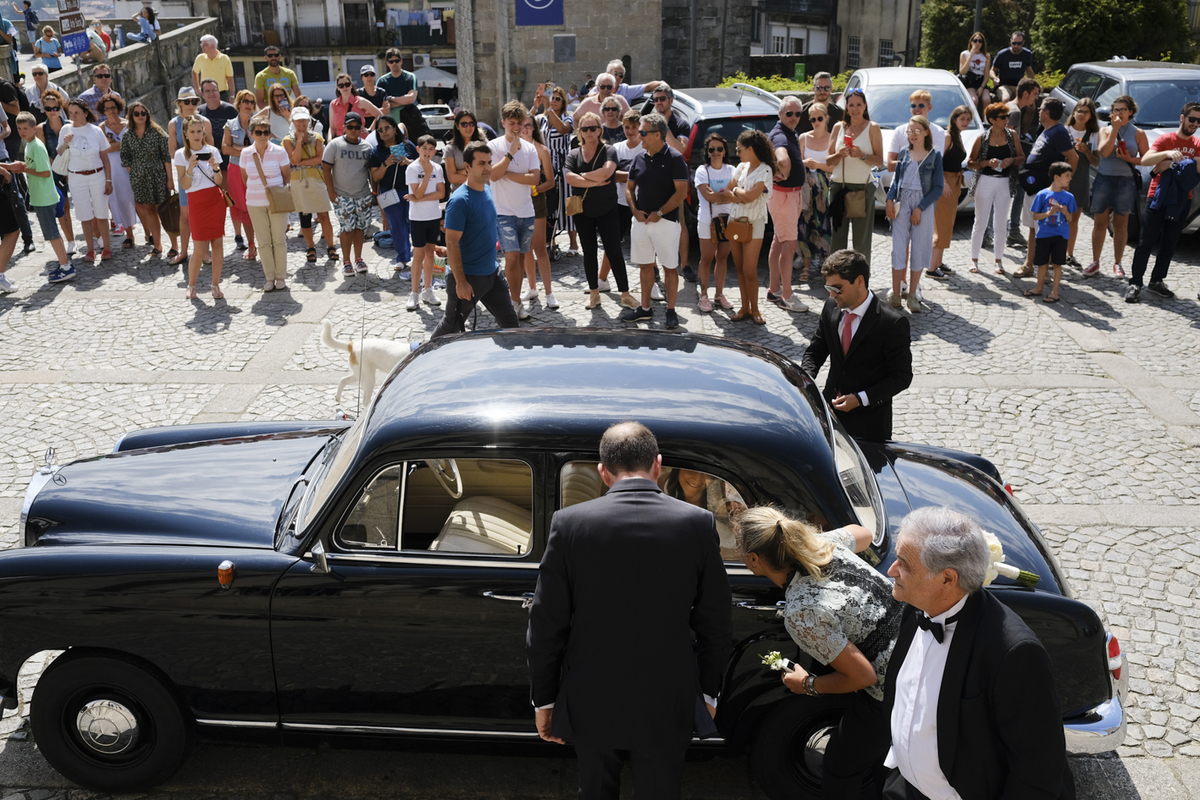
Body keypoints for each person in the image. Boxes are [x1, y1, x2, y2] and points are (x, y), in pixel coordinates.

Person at [526, 421, 732, 800]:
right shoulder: (697, 523)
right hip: (668, 697)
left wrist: (546, 699)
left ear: (603, 473)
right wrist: (708, 693)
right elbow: (715, 621)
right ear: (657, 465)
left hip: (591, 698)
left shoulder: (569, 524)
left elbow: (545, 625)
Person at [883, 506, 1075, 800]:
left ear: (948, 579)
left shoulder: (1014, 653)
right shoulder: (916, 606)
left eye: (904, 564)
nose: (891, 571)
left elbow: (1038, 771)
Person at [738, 506, 899, 799]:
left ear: (753, 560)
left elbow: (863, 676)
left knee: (840, 763)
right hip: (915, 647)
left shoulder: (801, 611)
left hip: (892, 688)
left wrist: (807, 685)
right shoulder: (822, 546)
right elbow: (864, 534)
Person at [801, 249, 913, 441]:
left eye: (837, 289)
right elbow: (816, 351)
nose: (831, 295)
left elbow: (901, 377)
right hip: (829, 416)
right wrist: (805, 381)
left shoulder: (891, 323)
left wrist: (861, 399)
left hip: (869, 425)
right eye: (828, 289)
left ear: (859, 281)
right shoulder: (831, 307)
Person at [430, 140, 520, 337]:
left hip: (492, 274)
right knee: (450, 328)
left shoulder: (487, 190)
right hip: (469, 278)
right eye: (481, 163)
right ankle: (422, 359)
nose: (488, 167)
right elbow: (451, 241)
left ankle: (515, 363)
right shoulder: (460, 200)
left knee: (511, 324)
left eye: (489, 162)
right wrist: (461, 282)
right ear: (468, 166)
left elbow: (476, 232)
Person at [1124, 101, 1200, 304]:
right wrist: (1167, 154)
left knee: (1169, 244)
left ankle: (1157, 281)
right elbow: (1147, 160)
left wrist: (1172, 163)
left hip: (1182, 200)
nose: (1195, 124)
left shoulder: (1197, 144)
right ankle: (1135, 283)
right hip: (1157, 196)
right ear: (1182, 118)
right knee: (1146, 242)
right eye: (1192, 119)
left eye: (1199, 121)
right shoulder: (1166, 139)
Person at [621, 112, 689, 329]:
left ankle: (671, 310)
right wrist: (634, 210)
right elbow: (629, 188)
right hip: (641, 222)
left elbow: (681, 193)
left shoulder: (676, 159)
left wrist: (659, 213)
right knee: (645, 266)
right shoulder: (638, 158)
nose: (639, 136)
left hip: (666, 222)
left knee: (669, 267)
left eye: (643, 132)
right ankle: (645, 309)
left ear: (657, 134)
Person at [567, 111, 629, 313]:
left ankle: (625, 294)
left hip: (607, 208)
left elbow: (608, 172)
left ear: (599, 130)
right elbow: (569, 178)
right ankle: (594, 293)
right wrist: (595, 181)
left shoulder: (608, 150)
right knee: (589, 251)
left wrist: (583, 176)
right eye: (585, 128)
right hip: (583, 210)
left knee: (614, 251)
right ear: (580, 132)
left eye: (593, 128)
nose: (589, 132)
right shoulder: (574, 153)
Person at [489, 100, 541, 321]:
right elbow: (492, 175)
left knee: (520, 260)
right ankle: (510, 303)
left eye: (520, 123)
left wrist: (508, 174)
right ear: (503, 123)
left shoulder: (530, 148)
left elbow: (535, 178)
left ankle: (516, 302)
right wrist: (509, 154)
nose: (517, 128)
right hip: (503, 211)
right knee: (510, 259)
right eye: (512, 123)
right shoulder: (493, 146)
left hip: (526, 212)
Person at [1014, 98, 1077, 279]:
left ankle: (1043, 270)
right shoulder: (1045, 130)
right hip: (1034, 187)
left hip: (1045, 188)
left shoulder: (1059, 132)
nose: (1038, 111)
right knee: (1034, 228)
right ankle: (1029, 264)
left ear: (1047, 113)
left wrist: (1065, 181)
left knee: (1044, 229)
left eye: (1041, 109)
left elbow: (1073, 157)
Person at [886, 116, 943, 314]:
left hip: (923, 204)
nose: (913, 134)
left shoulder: (934, 156)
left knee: (919, 248)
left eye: (917, 130)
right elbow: (896, 180)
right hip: (903, 200)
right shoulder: (903, 152)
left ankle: (912, 295)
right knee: (898, 247)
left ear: (926, 132)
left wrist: (920, 208)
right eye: (910, 131)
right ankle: (895, 294)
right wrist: (889, 199)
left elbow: (938, 188)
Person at [1088, 94, 1148, 279]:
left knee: (1121, 225)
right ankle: (1095, 261)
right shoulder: (1105, 131)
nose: (1119, 113)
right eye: (1115, 109)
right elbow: (1104, 153)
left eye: (1123, 109)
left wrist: (1130, 159)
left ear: (1130, 112)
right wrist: (1114, 130)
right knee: (1100, 222)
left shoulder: (1138, 133)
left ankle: (1118, 263)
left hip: (1125, 181)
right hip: (1104, 179)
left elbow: (1146, 159)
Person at [12, 112, 70, 283]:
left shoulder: (36, 146)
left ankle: (66, 267)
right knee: (53, 233)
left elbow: (45, 172)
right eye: (19, 128)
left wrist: (23, 169)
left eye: (26, 128)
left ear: (33, 128)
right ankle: (64, 263)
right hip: (41, 197)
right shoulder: (29, 144)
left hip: (44, 197)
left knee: (52, 234)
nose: (22, 131)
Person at [827, 88, 883, 264]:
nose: (855, 109)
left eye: (859, 104)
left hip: (862, 188)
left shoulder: (872, 127)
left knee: (861, 241)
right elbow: (829, 161)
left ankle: (861, 282)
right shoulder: (838, 127)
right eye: (851, 105)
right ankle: (836, 281)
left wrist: (862, 155)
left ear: (865, 105)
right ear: (846, 106)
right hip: (838, 187)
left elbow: (880, 161)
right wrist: (840, 154)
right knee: (837, 239)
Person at [968, 102, 1023, 274]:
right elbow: (971, 163)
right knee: (981, 222)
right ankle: (974, 260)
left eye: (1007, 116)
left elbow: (1022, 157)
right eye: (1003, 117)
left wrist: (1011, 160)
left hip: (1005, 181)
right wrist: (986, 163)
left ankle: (998, 261)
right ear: (992, 120)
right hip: (985, 180)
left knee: (1000, 222)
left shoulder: (1012, 135)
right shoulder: (982, 138)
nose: (1007, 119)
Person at [174, 116, 226, 300]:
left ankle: (215, 285)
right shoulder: (180, 155)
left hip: (215, 200)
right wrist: (189, 168)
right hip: (196, 202)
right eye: (192, 132)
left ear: (204, 132)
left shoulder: (212, 151)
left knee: (218, 244)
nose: (196, 135)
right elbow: (185, 185)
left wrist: (216, 169)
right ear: (186, 134)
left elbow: (219, 182)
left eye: (199, 131)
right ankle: (192, 285)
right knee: (199, 248)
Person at [728, 129, 775, 324]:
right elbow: (726, 191)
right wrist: (741, 194)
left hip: (754, 223)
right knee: (739, 267)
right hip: (735, 222)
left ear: (750, 149)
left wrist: (737, 192)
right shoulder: (740, 167)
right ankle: (744, 307)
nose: (737, 153)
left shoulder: (765, 170)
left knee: (749, 269)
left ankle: (755, 309)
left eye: (739, 149)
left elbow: (745, 195)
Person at [767, 96, 809, 313]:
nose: (793, 118)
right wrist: (783, 170)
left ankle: (774, 289)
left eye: (797, 114)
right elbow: (782, 158)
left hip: (787, 196)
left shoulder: (789, 132)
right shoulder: (781, 135)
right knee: (789, 245)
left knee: (779, 240)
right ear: (780, 114)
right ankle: (787, 296)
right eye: (789, 113)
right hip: (784, 197)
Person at [58, 99, 112, 261]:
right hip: (76, 177)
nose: (73, 116)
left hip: (97, 175)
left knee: (101, 213)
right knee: (84, 214)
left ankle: (107, 248)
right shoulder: (65, 129)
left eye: (77, 113)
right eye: (71, 113)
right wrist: (66, 142)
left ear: (85, 113)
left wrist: (109, 180)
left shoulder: (95, 131)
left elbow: (105, 158)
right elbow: (60, 153)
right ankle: (90, 249)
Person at [321, 111, 375, 277]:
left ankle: (358, 258)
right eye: (350, 127)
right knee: (346, 229)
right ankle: (346, 261)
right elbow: (325, 168)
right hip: (342, 195)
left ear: (361, 128)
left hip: (363, 194)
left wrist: (374, 192)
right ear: (344, 127)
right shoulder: (335, 145)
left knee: (360, 228)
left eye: (356, 127)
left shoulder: (367, 147)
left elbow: (371, 171)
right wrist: (331, 192)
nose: (353, 130)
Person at [120, 99, 174, 259]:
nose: (140, 115)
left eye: (143, 112)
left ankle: (174, 245)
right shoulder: (128, 135)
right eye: (136, 113)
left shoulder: (157, 132)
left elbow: (166, 156)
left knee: (165, 211)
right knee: (149, 210)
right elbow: (125, 157)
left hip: (158, 177)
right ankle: (157, 245)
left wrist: (170, 179)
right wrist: (134, 172)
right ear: (131, 116)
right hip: (140, 180)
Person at [242, 116, 290, 291]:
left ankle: (281, 276)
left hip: (276, 201)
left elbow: (286, 176)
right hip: (254, 202)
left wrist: (274, 191)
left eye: (266, 132)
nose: (263, 136)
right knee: (263, 242)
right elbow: (244, 178)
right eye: (259, 132)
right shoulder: (245, 153)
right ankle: (269, 278)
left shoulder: (279, 151)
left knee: (278, 240)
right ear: (252, 134)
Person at [283, 106, 335, 265]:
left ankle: (331, 246)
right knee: (304, 217)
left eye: (304, 120)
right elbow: (293, 159)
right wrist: (298, 141)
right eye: (298, 120)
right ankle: (310, 247)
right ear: (293, 121)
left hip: (316, 180)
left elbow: (320, 159)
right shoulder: (287, 140)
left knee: (324, 215)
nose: (301, 123)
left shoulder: (317, 137)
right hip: (298, 182)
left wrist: (301, 163)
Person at [598, 109, 644, 293]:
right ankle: (601, 280)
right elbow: (611, 175)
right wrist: (634, 176)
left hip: (642, 201)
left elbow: (648, 176)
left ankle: (653, 282)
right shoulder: (616, 148)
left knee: (645, 243)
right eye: (627, 127)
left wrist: (625, 177)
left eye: (634, 127)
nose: (630, 131)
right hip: (618, 201)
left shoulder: (646, 147)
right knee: (612, 242)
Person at [168, 87, 214, 266]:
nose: (190, 105)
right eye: (186, 101)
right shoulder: (174, 124)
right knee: (185, 216)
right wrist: (189, 160)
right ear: (179, 104)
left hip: (204, 174)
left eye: (194, 101)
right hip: (185, 173)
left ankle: (204, 252)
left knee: (204, 214)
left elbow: (211, 150)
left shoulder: (205, 122)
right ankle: (184, 251)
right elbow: (172, 152)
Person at [649, 83, 691, 276]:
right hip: (653, 177)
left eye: (662, 99)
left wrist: (664, 129)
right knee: (653, 223)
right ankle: (654, 265)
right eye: (655, 100)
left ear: (671, 101)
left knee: (679, 223)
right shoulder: (647, 122)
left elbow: (680, 149)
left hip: (675, 180)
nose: (658, 103)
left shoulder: (681, 124)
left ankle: (684, 264)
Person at [400, 134, 444, 310]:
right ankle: (414, 293)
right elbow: (416, 193)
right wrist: (426, 175)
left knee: (430, 254)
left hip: (433, 216)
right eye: (424, 148)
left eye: (430, 148)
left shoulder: (438, 168)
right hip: (417, 218)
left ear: (434, 150)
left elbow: (441, 193)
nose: (427, 152)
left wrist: (419, 198)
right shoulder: (412, 168)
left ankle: (428, 289)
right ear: (418, 149)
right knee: (418, 255)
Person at [368, 115, 415, 272]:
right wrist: (385, 164)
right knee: (396, 225)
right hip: (389, 192)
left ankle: (417, 252)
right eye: (380, 130)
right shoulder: (376, 152)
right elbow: (375, 177)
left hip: (410, 190)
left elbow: (422, 166)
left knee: (413, 222)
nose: (384, 132)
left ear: (395, 129)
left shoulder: (408, 146)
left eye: (387, 127)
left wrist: (409, 162)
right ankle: (402, 257)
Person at [1024, 161, 1076, 304]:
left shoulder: (1069, 197)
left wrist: (1065, 212)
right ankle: (1039, 288)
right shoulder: (1042, 194)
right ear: (1056, 177)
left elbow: (1071, 219)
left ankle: (1055, 292)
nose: (1070, 178)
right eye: (1067, 176)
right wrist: (1048, 213)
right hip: (1044, 234)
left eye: (1070, 176)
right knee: (1042, 263)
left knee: (1058, 264)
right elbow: (1035, 216)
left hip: (1061, 235)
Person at [929, 105, 971, 278]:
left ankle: (938, 262)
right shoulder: (947, 137)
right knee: (942, 224)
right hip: (945, 182)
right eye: (962, 119)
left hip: (954, 182)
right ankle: (931, 267)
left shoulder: (958, 136)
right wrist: (944, 182)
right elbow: (937, 161)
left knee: (948, 223)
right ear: (954, 119)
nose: (966, 122)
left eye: (968, 119)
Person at [520, 115, 557, 308]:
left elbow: (551, 181)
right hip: (517, 201)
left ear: (534, 128)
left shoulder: (542, 150)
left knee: (540, 248)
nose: (525, 129)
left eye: (528, 125)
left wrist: (536, 189)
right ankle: (532, 287)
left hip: (536, 201)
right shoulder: (514, 148)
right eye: (522, 125)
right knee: (524, 248)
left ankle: (549, 292)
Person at [34, 89, 76, 253]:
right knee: (63, 206)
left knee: (84, 204)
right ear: (43, 110)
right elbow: (44, 153)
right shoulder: (40, 129)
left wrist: (68, 171)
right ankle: (71, 241)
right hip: (54, 170)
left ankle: (97, 238)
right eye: (48, 109)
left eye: (55, 108)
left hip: (75, 169)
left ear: (61, 107)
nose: (52, 111)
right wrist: (61, 170)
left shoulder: (70, 126)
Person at [694, 132, 733, 313]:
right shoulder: (703, 171)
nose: (716, 152)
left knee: (723, 257)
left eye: (719, 149)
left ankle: (719, 294)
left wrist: (718, 196)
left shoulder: (732, 170)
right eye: (712, 149)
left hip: (728, 220)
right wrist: (726, 195)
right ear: (707, 152)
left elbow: (737, 194)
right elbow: (707, 196)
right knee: (706, 259)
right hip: (707, 220)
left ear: (725, 151)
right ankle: (703, 296)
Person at [536, 86, 577, 255]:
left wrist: (549, 109)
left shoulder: (568, 118)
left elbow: (562, 129)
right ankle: (550, 240)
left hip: (562, 164)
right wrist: (536, 105)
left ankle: (574, 243)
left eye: (557, 98)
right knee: (550, 204)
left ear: (563, 101)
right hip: (546, 166)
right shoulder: (542, 119)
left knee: (568, 204)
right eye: (551, 98)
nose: (553, 101)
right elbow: (527, 124)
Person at [1003, 77, 1041, 248]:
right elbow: (1007, 139)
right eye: (1035, 94)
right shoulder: (1015, 112)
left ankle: (1013, 231)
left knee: (1018, 195)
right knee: (1009, 197)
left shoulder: (1014, 108)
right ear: (1025, 93)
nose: (1036, 98)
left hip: (1013, 162)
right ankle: (1006, 231)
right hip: (1010, 163)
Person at [799, 102, 834, 276]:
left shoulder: (832, 138)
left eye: (820, 118)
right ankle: (806, 265)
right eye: (813, 119)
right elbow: (796, 163)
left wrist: (819, 165)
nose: (816, 122)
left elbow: (835, 166)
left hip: (825, 190)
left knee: (824, 225)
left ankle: (824, 263)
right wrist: (804, 163)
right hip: (806, 188)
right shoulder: (803, 138)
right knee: (804, 225)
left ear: (827, 118)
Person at [222, 89, 258, 257]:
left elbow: (260, 148)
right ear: (238, 104)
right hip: (236, 170)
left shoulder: (258, 123)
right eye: (246, 101)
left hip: (256, 169)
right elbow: (225, 148)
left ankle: (264, 242)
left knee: (258, 206)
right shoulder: (230, 124)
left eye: (252, 102)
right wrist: (246, 150)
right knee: (243, 208)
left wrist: (237, 148)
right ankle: (251, 244)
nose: (249, 105)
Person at [98, 93, 137, 248]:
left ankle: (149, 233)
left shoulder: (129, 124)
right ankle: (130, 234)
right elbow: (102, 150)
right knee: (121, 200)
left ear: (118, 108)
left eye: (113, 107)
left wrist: (114, 145)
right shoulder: (101, 128)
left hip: (132, 165)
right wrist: (119, 145)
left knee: (139, 199)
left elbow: (134, 144)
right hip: (113, 167)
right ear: (103, 111)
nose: (111, 111)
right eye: (107, 109)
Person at [1065, 97, 1100, 269]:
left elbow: (1096, 162)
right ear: (1074, 112)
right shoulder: (1065, 130)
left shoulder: (1093, 134)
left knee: (1074, 218)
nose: (1081, 114)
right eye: (1079, 110)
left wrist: (1086, 151)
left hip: (1081, 179)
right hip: (1062, 178)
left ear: (1091, 115)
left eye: (1086, 112)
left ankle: (1069, 254)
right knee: (1057, 216)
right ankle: (1054, 253)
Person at [377, 47, 426, 139]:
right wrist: (403, 100)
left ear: (401, 61)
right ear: (387, 63)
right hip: (390, 123)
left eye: (396, 60)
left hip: (410, 120)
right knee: (396, 149)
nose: (394, 63)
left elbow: (411, 99)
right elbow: (381, 105)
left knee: (413, 148)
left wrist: (390, 98)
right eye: (391, 61)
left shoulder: (410, 77)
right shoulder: (382, 81)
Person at [445, 108, 488, 191]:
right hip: (460, 194)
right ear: (457, 126)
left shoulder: (484, 144)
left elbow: (488, 171)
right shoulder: (450, 148)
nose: (468, 127)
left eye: (472, 124)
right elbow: (452, 178)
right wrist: (476, 173)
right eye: (464, 124)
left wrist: (461, 171)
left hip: (481, 192)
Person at [330, 72, 382, 139]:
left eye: (347, 84)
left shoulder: (360, 101)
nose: (344, 87)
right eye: (341, 85)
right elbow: (332, 128)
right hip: (341, 143)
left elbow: (380, 115)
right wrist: (329, 140)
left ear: (351, 85)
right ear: (337, 87)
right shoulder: (333, 104)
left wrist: (370, 130)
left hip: (360, 141)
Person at [990, 31, 1034, 103]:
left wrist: (1034, 85)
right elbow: (992, 70)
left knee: (1031, 105)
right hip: (1004, 85)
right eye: (1014, 43)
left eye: (1019, 44)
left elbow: (1029, 70)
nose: (1016, 46)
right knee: (1005, 99)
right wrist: (994, 78)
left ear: (1023, 42)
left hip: (1019, 86)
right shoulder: (1002, 54)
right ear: (1011, 41)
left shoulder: (1027, 54)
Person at [192, 35, 234, 101]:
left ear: (212, 46)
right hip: (206, 94)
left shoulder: (224, 58)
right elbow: (194, 72)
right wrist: (197, 88)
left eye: (205, 45)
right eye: (201, 45)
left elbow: (230, 78)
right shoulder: (200, 58)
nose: (202, 47)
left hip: (221, 94)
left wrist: (232, 95)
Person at [959, 32, 991, 112]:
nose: (977, 43)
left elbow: (987, 74)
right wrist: (971, 54)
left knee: (987, 100)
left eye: (980, 41)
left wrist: (982, 87)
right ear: (971, 42)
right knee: (974, 100)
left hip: (981, 81)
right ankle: (974, 122)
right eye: (975, 40)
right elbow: (962, 72)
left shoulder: (986, 56)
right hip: (970, 80)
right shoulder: (964, 54)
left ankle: (986, 122)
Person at [358, 64, 387, 129]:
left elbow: (387, 111)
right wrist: (378, 112)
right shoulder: (358, 93)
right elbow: (358, 113)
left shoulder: (382, 92)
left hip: (380, 128)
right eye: (366, 75)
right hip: (363, 129)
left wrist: (366, 112)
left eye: (372, 74)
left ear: (375, 76)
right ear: (362, 77)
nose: (369, 77)